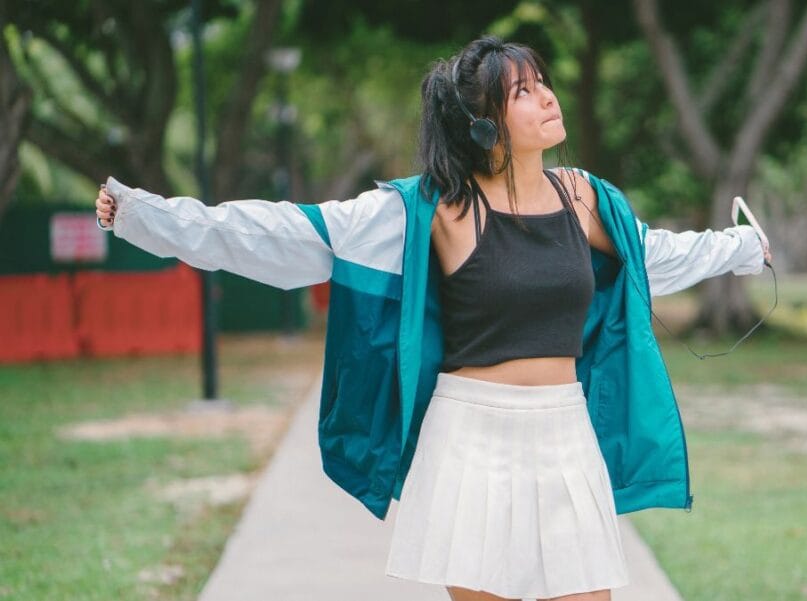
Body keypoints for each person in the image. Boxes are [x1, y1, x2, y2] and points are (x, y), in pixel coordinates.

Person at [96, 35, 770, 601]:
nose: (547, 97)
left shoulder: (586, 198)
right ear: (484, 124)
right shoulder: (433, 211)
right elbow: (284, 232)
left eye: (542, 83)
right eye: (522, 92)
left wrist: (743, 248)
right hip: (471, 438)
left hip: (566, 434)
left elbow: (653, 256)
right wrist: (145, 217)